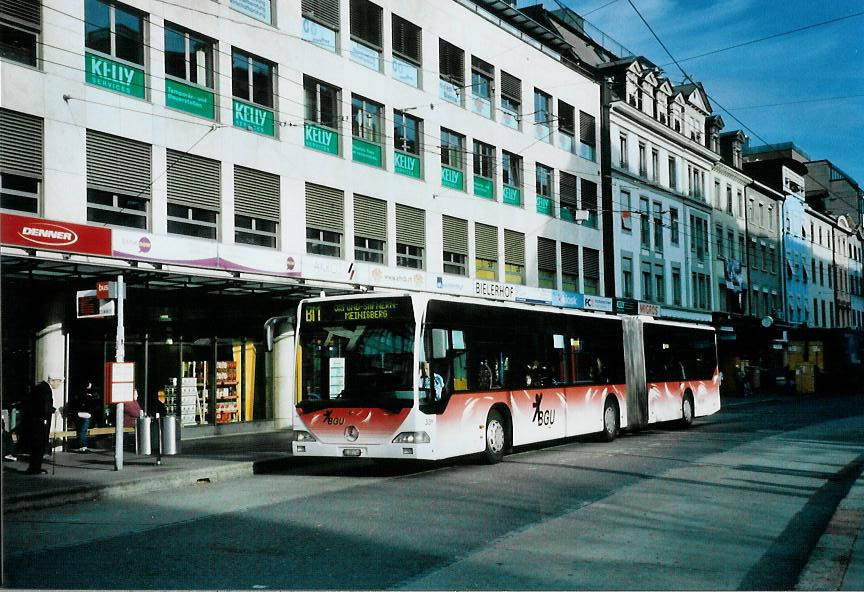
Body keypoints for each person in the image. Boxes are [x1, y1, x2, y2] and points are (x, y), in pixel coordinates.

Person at [22, 373, 61, 475]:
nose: (59, 384)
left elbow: (43, 403)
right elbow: (43, 405)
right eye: (58, 381)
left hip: (37, 420)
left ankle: (36, 467)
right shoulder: (44, 389)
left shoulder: (42, 387)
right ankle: (34, 469)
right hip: (39, 420)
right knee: (38, 444)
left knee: (38, 445)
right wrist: (50, 411)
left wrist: (53, 410)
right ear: (52, 380)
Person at [67, 382, 100, 452]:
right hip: (86, 414)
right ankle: (83, 446)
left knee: (81, 430)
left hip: (80, 414)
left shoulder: (79, 394)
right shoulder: (88, 395)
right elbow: (92, 405)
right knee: (83, 431)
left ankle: (81, 446)